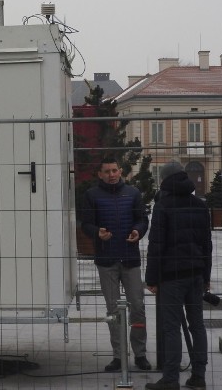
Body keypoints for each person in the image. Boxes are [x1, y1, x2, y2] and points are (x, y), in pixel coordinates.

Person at [145, 161, 213, 390]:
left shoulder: (163, 206)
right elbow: (207, 245)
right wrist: (206, 276)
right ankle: (199, 376)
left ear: (164, 180)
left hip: (172, 277)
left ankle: (171, 378)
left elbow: (156, 245)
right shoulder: (200, 205)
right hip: (195, 274)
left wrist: (152, 279)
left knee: (171, 327)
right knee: (197, 325)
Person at [80, 156, 152, 372]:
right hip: (106, 261)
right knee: (113, 311)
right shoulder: (91, 195)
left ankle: (140, 354)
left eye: (114, 170)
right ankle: (119, 356)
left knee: (137, 308)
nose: (111, 175)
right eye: (107, 171)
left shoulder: (133, 193)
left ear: (121, 171)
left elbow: (142, 220)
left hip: (130, 260)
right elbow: (86, 224)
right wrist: (96, 233)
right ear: (100, 174)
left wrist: (138, 231)